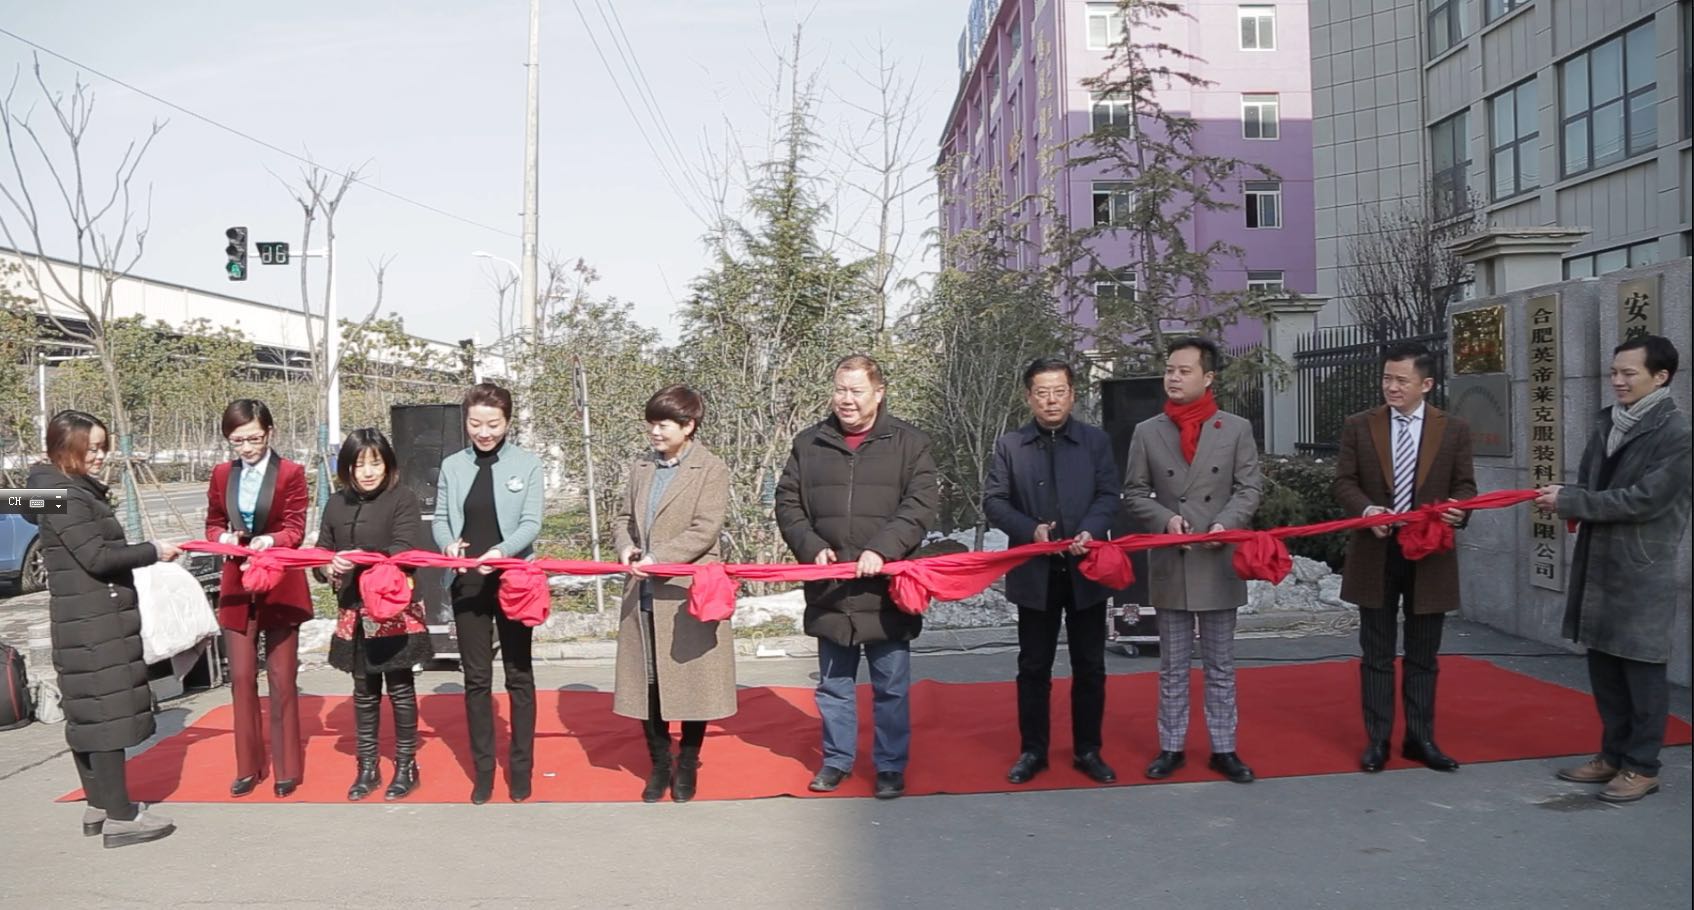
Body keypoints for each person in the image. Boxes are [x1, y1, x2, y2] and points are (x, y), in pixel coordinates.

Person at [775, 354, 939, 800]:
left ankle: (889, 765)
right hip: (830, 587)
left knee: (891, 687)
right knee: (834, 685)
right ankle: (836, 760)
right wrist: (811, 546)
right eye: (840, 390)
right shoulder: (809, 443)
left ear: (878, 393)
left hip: (885, 589)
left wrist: (882, 549)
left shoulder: (909, 443)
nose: (846, 400)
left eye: (856, 391)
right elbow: (788, 503)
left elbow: (919, 506)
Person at [1538, 334, 1692, 804]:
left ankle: (1642, 766)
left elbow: (1644, 500)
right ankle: (1612, 754)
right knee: (1604, 663)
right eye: (1614, 372)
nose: (1618, 381)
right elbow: (1592, 484)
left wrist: (1573, 501)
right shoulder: (1609, 422)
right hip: (1599, 561)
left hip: (1641, 566)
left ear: (1660, 377)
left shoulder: (1678, 434)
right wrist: (1569, 495)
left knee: (1641, 667)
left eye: (1629, 373)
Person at [27, 411, 180, 847]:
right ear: (65, 448)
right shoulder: (66, 493)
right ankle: (121, 816)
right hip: (96, 620)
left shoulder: (46, 487)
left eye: (102, 447)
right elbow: (97, 558)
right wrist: (153, 550)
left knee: (88, 711)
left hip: (78, 617)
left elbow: (19, 509)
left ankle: (99, 804)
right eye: (90, 448)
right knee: (107, 715)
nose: (99, 456)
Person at [1123, 337, 1263, 784]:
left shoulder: (1235, 428)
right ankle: (1172, 746)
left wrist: (1225, 524)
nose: (1174, 378)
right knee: (1173, 665)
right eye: (1170, 370)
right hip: (1173, 559)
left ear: (1208, 377)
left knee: (1220, 664)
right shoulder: (1148, 431)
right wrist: (1165, 520)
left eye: (1184, 371)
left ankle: (1224, 747)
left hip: (1218, 558)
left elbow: (1249, 489)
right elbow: (1134, 493)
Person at [1333, 342, 1476, 774]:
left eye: (1401, 380)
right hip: (1375, 551)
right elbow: (1344, 482)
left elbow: (1465, 487)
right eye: (1386, 378)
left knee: (1423, 653)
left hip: (1429, 553)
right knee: (1376, 651)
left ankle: (1420, 738)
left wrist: (1459, 509)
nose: (1391, 387)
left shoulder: (1453, 429)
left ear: (1426, 384)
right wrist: (1366, 511)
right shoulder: (1360, 425)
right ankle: (1378, 739)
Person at [982, 357, 1122, 785]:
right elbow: (994, 501)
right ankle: (1033, 751)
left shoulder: (1095, 442)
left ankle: (1088, 749)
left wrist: (1090, 529)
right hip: (1035, 571)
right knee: (1033, 666)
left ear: (1072, 395)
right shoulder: (1011, 446)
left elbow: (1109, 494)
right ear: (1029, 397)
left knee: (1090, 665)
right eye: (1042, 393)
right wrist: (1030, 530)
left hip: (1086, 568)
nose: (1051, 400)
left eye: (1059, 391)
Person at [612, 385, 735, 803]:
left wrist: (659, 558)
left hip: (686, 591)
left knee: (692, 679)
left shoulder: (711, 469)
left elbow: (705, 529)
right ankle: (660, 761)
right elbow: (623, 517)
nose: (655, 432)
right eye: (651, 424)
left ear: (688, 426)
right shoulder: (641, 466)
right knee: (647, 680)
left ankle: (688, 761)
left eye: (663, 424)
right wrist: (627, 547)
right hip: (642, 589)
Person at [431, 382, 544, 804]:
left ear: (507, 422)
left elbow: (531, 523)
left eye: (493, 424)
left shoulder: (527, 464)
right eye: (475, 423)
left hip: (513, 578)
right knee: (476, 678)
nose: (484, 432)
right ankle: (483, 771)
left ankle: (521, 768)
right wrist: (447, 544)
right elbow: (440, 518)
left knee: (519, 674)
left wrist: (500, 552)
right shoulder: (452, 466)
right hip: (468, 579)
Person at [315, 428, 433, 801]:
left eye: (375, 463)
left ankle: (406, 765)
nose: (367, 472)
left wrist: (361, 558)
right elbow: (322, 550)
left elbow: (405, 547)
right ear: (347, 467)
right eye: (359, 464)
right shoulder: (336, 503)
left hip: (392, 608)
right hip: (353, 608)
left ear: (387, 464)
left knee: (400, 689)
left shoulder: (402, 498)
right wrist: (328, 567)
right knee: (364, 691)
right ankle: (367, 767)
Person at [207, 398, 312, 798]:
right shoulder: (222, 474)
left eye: (254, 438)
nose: (247, 448)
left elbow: (296, 528)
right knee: (240, 677)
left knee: (282, 679)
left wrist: (273, 540)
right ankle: (247, 766)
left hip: (280, 580)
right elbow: (213, 521)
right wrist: (223, 537)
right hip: (238, 582)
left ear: (269, 433)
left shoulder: (290, 473)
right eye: (238, 441)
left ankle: (286, 768)